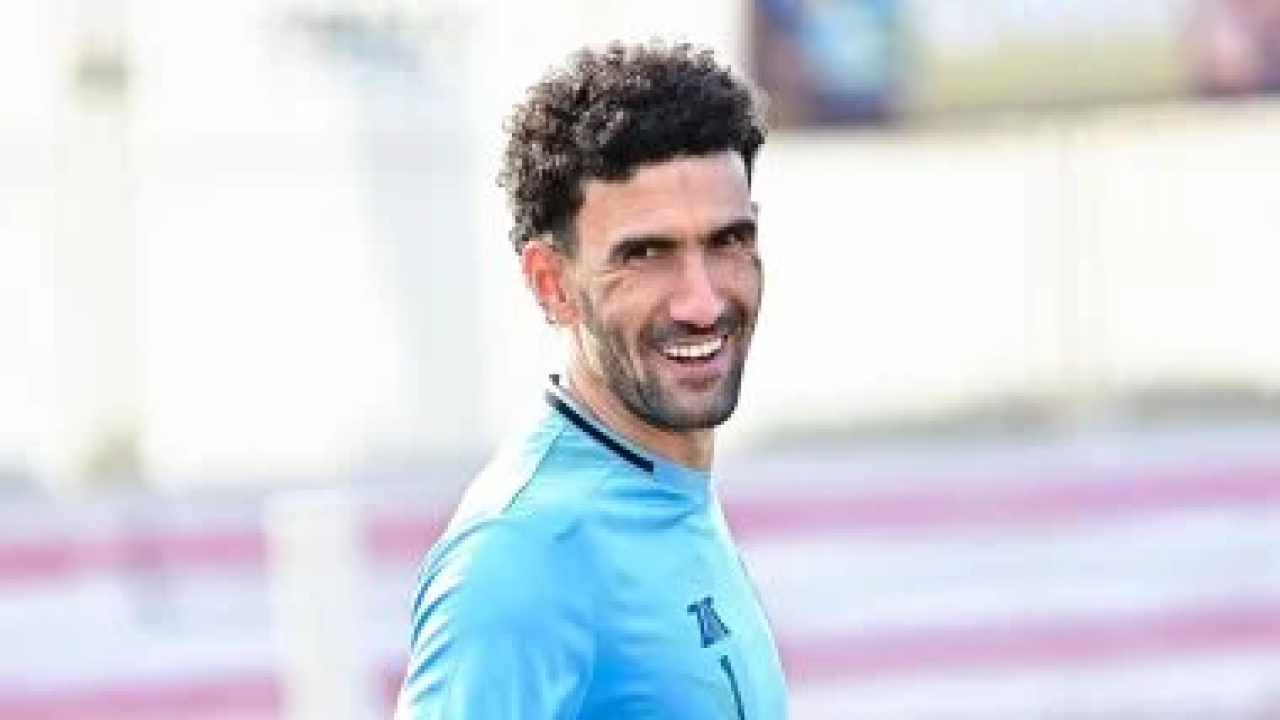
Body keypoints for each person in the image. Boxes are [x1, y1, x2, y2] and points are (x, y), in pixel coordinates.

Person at [395, 40, 787, 719]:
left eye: (728, 241)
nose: (702, 303)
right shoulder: (524, 554)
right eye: (646, 254)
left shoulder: (665, 484)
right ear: (552, 283)